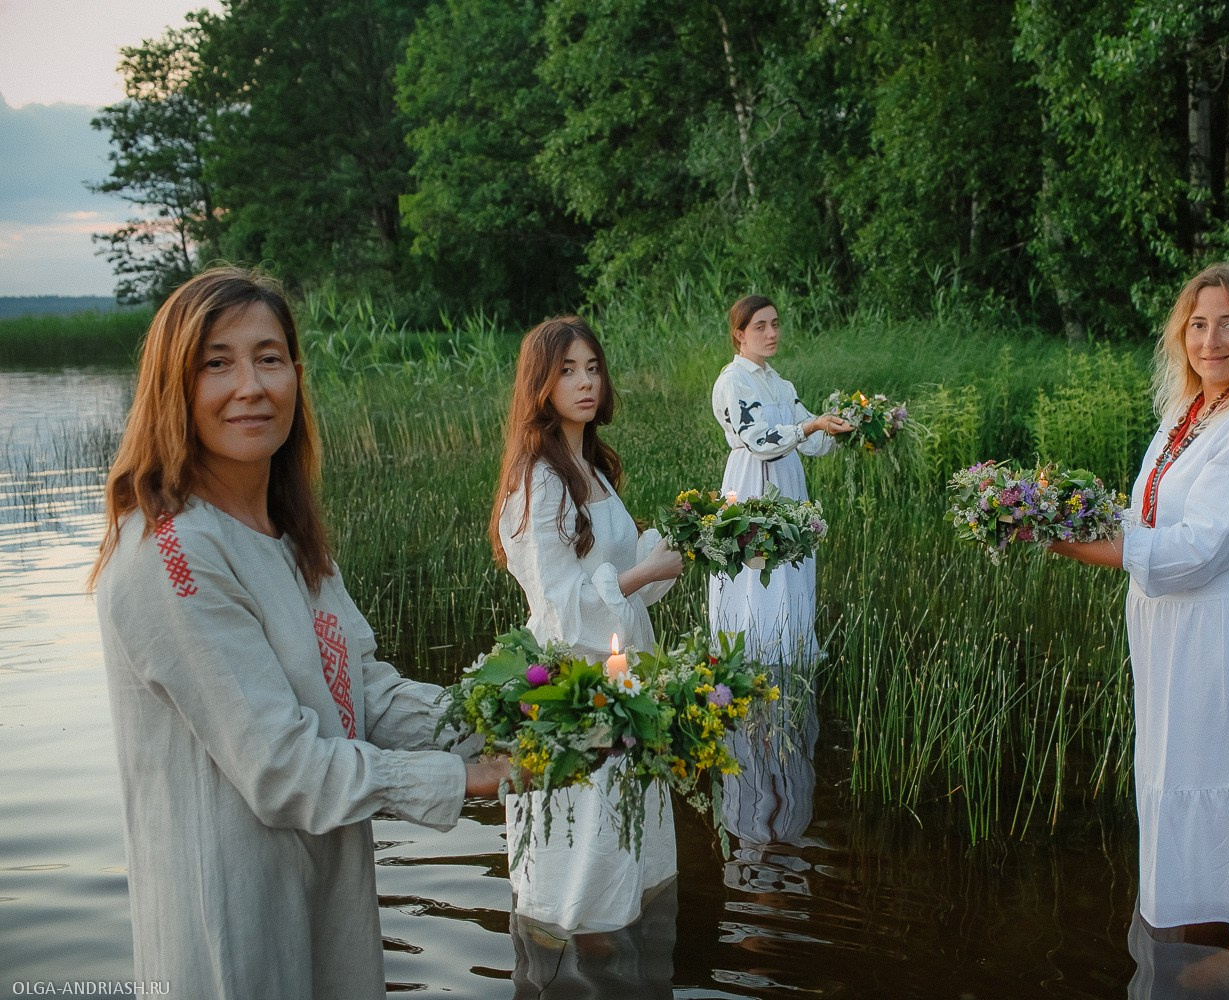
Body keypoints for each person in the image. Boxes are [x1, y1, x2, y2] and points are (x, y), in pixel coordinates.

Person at [90, 266, 511, 1000]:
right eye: (215, 363)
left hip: (325, 885)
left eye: (269, 357)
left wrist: (506, 715)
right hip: (232, 912)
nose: (250, 385)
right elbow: (281, 768)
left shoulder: (288, 535)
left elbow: (364, 693)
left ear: (295, 375)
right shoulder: (171, 552)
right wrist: (462, 779)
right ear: (172, 388)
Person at [1049, 262, 1229, 972]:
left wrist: (1081, 549)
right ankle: (1204, 937)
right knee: (1186, 782)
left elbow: (1204, 548)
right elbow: (1150, 515)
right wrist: (1043, 507)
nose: (1212, 340)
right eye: (1199, 325)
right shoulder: (1188, 413)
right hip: (1180, 640)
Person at [491, 315, 684, 935]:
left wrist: (671, 553)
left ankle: (630, 948)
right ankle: (574, 958)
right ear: (539, 383)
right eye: (567, 370)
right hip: (574, 680)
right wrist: (636, 575)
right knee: (586, 842)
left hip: (623, 672)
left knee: (628, 837)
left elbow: (622, 577)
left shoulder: (594, 468)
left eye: (592, 368)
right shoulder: (539, 481)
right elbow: (558, 605)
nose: (585, 382)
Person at [708, 295, 851, 845]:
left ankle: (786, 658)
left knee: (790, 578)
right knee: (755, 582)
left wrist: (833, 428)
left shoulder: (780, 383)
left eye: (775, 324)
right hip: (751, 489)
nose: (771, 333)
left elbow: (806, 446)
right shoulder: (733, 383)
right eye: (760, 326)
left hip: (788, 490)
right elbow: (758, 441)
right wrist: (806, 424)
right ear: (739, 334)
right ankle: (752, 668)